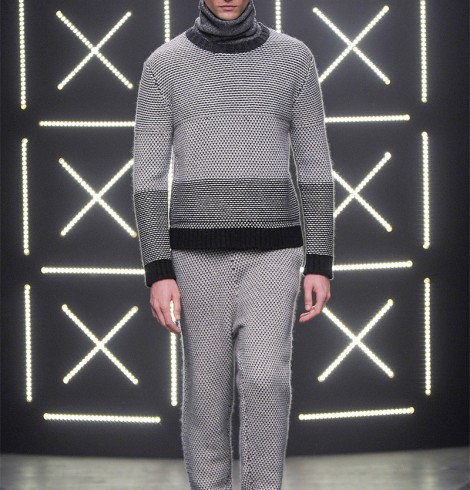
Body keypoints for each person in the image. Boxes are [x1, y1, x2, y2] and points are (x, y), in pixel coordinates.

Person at [132, 0, 335, 488]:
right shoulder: (164, 64)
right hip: (194, 257)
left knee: (267, 382)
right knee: (206, 395)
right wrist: (158, 269)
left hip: (275, 253)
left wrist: (320, 259)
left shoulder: (294, 58)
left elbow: (313, 162)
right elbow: (147, 176)